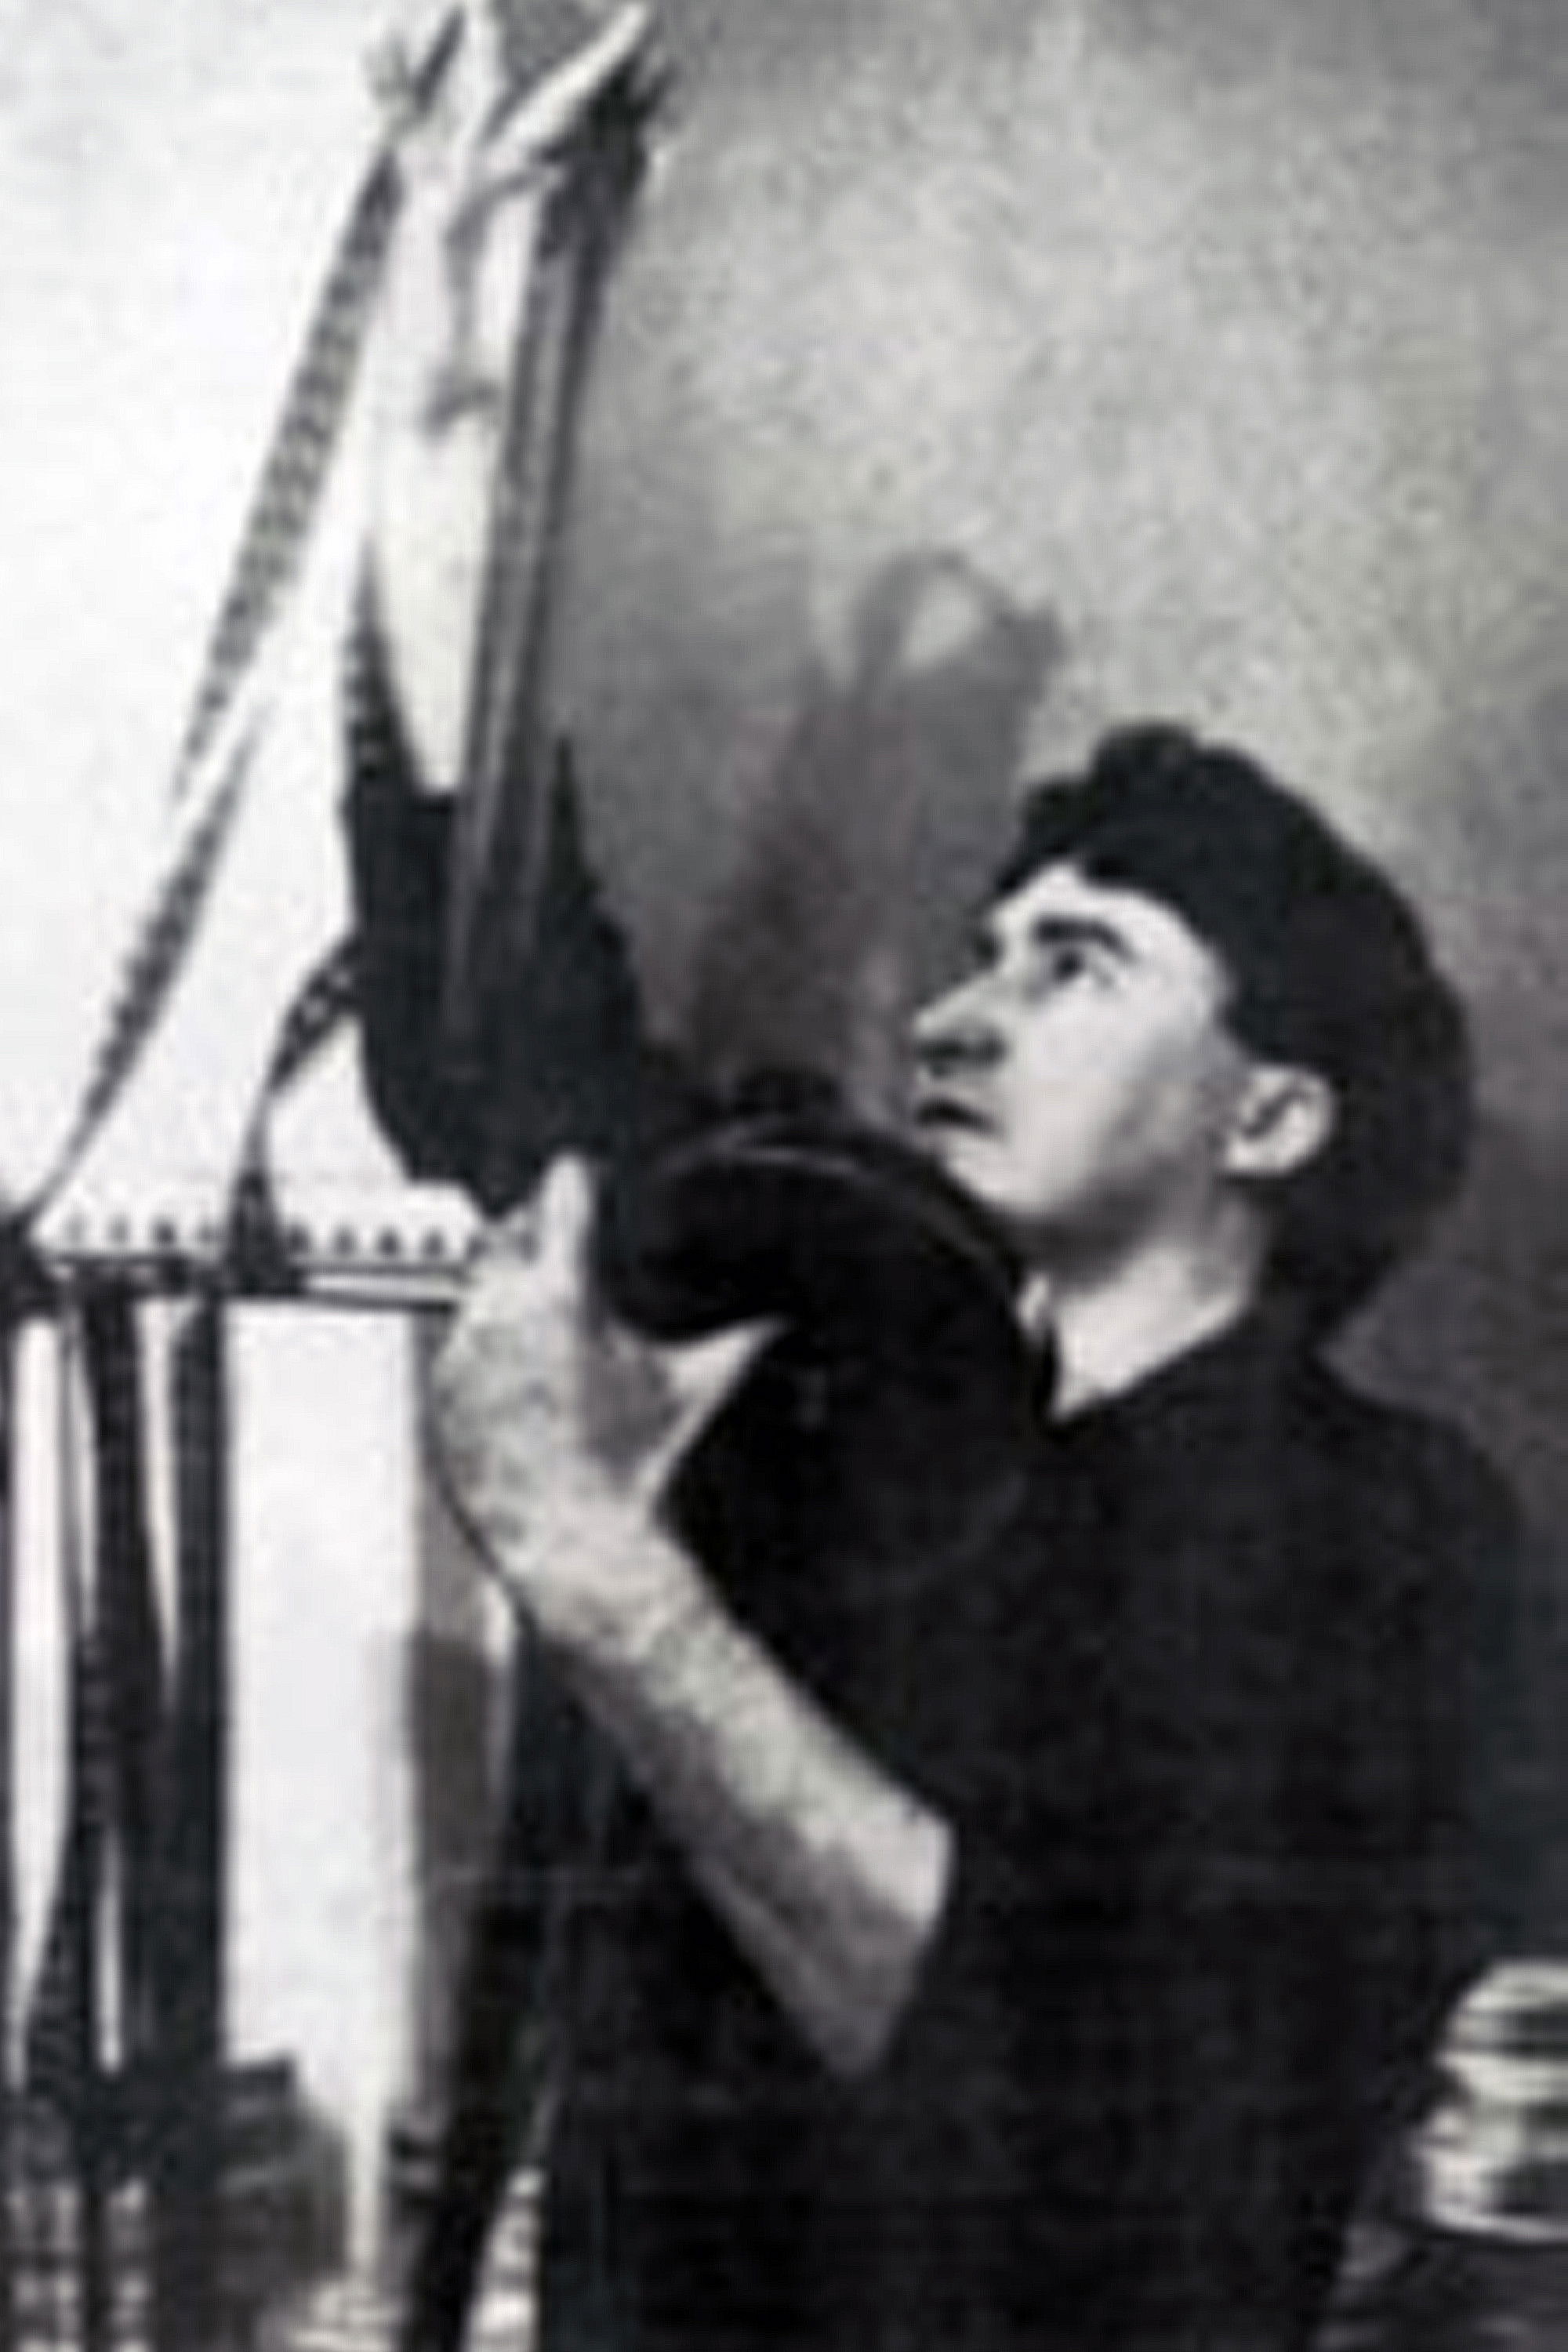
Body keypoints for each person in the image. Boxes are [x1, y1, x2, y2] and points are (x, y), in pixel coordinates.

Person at [358, 16, 1564, 2348]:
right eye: (987, 950)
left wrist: (591, 1559)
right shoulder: (859, 1372)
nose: (953, 1012)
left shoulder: (1396, 1544)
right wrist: (452, 388)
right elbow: (486, 995)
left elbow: (1032, 2076)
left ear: (1274, 1118)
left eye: (1077, 965)